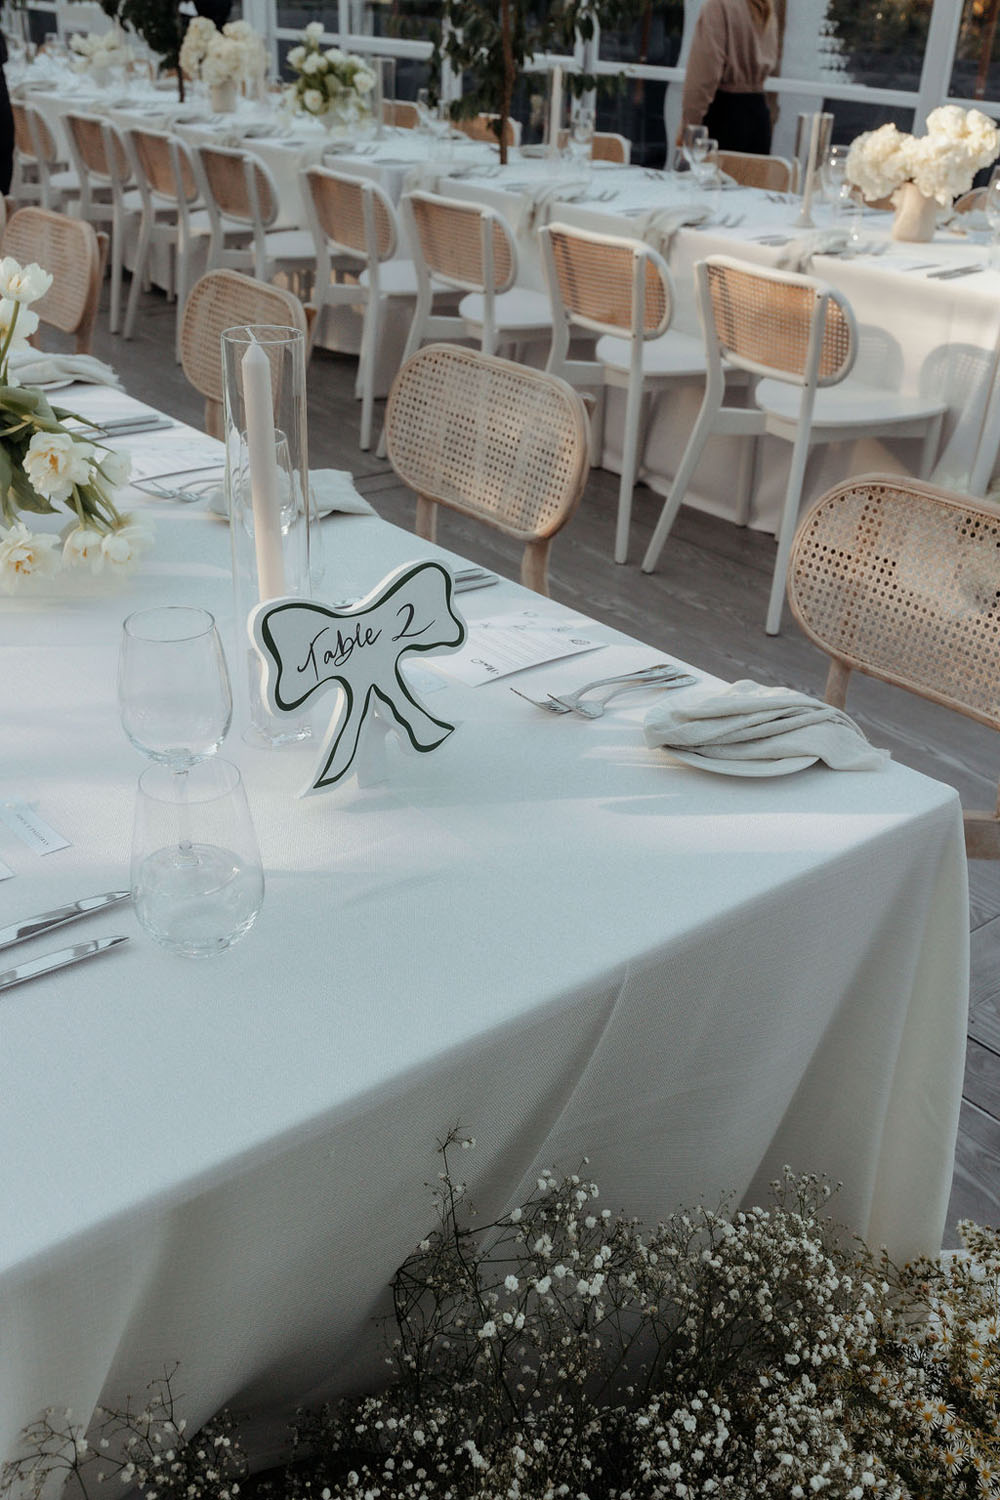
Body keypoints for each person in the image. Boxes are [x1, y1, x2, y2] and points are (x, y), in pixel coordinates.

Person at [680, 0, 778, 156]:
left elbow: (704, 74)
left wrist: (688, 127)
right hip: (758, 115)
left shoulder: (718, 5)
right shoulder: (765, 6)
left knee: (708, 170)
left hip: (725, 115)